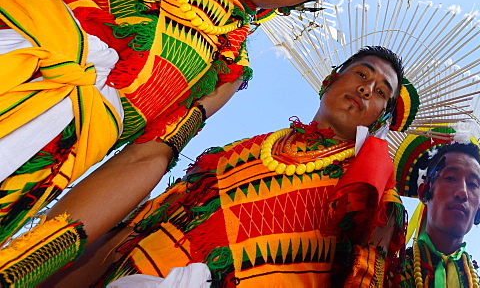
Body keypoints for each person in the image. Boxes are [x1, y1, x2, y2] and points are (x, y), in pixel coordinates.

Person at [0, 0, 351, 266]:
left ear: (294, 6)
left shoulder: (228, 71)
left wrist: (38, 254)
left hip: (45, 151)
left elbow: (150, 156)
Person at [22, 46, 407, 286]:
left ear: (378, 118)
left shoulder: (368, 187)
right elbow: (151, 217)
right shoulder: (247, 148)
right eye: (362, 74)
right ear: (330, 79)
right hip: (135, 271)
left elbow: (363, 273)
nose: (366, 89)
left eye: (381, 93)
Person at [396, 136, 480, 287]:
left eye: (472, 184)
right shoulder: (386, 274)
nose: (462, 192)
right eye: (450, 178)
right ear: (424, 192)